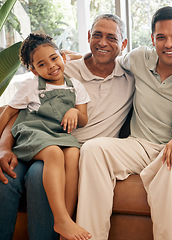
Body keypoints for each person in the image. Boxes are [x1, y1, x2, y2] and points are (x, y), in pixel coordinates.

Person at [0, 14, 134, 240]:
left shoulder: (130, 76)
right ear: (89, 36)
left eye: (111, 37)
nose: (102, 42)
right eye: (97, 35)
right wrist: (4, 147)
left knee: (37, 176)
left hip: (74, 151)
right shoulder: (64, 70)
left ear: (123, 44)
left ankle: (63, 225)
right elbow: (18, 112)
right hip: (36, 140)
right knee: (7, 176)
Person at [75, 6, 172, 240]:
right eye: (161, 37)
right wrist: (72, 57)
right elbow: (107, 58)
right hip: (140, 144)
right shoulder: (138, 59)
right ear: (153, 39)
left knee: (171, 169)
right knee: (93, 149)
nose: (169, 44)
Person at [0, 32, 91, 240]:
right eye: (41, 64)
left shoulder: (75, 86)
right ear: (33, 70)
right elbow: (8, 114)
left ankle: (65, 220)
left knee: (74, 154)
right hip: (33, 133)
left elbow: (84, 118)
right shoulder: (30, 86)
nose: (51, 66)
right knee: (54, 154)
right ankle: (60, 218)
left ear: (63, 57)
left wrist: (75, 112)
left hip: (58, 135)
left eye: (54, 58)